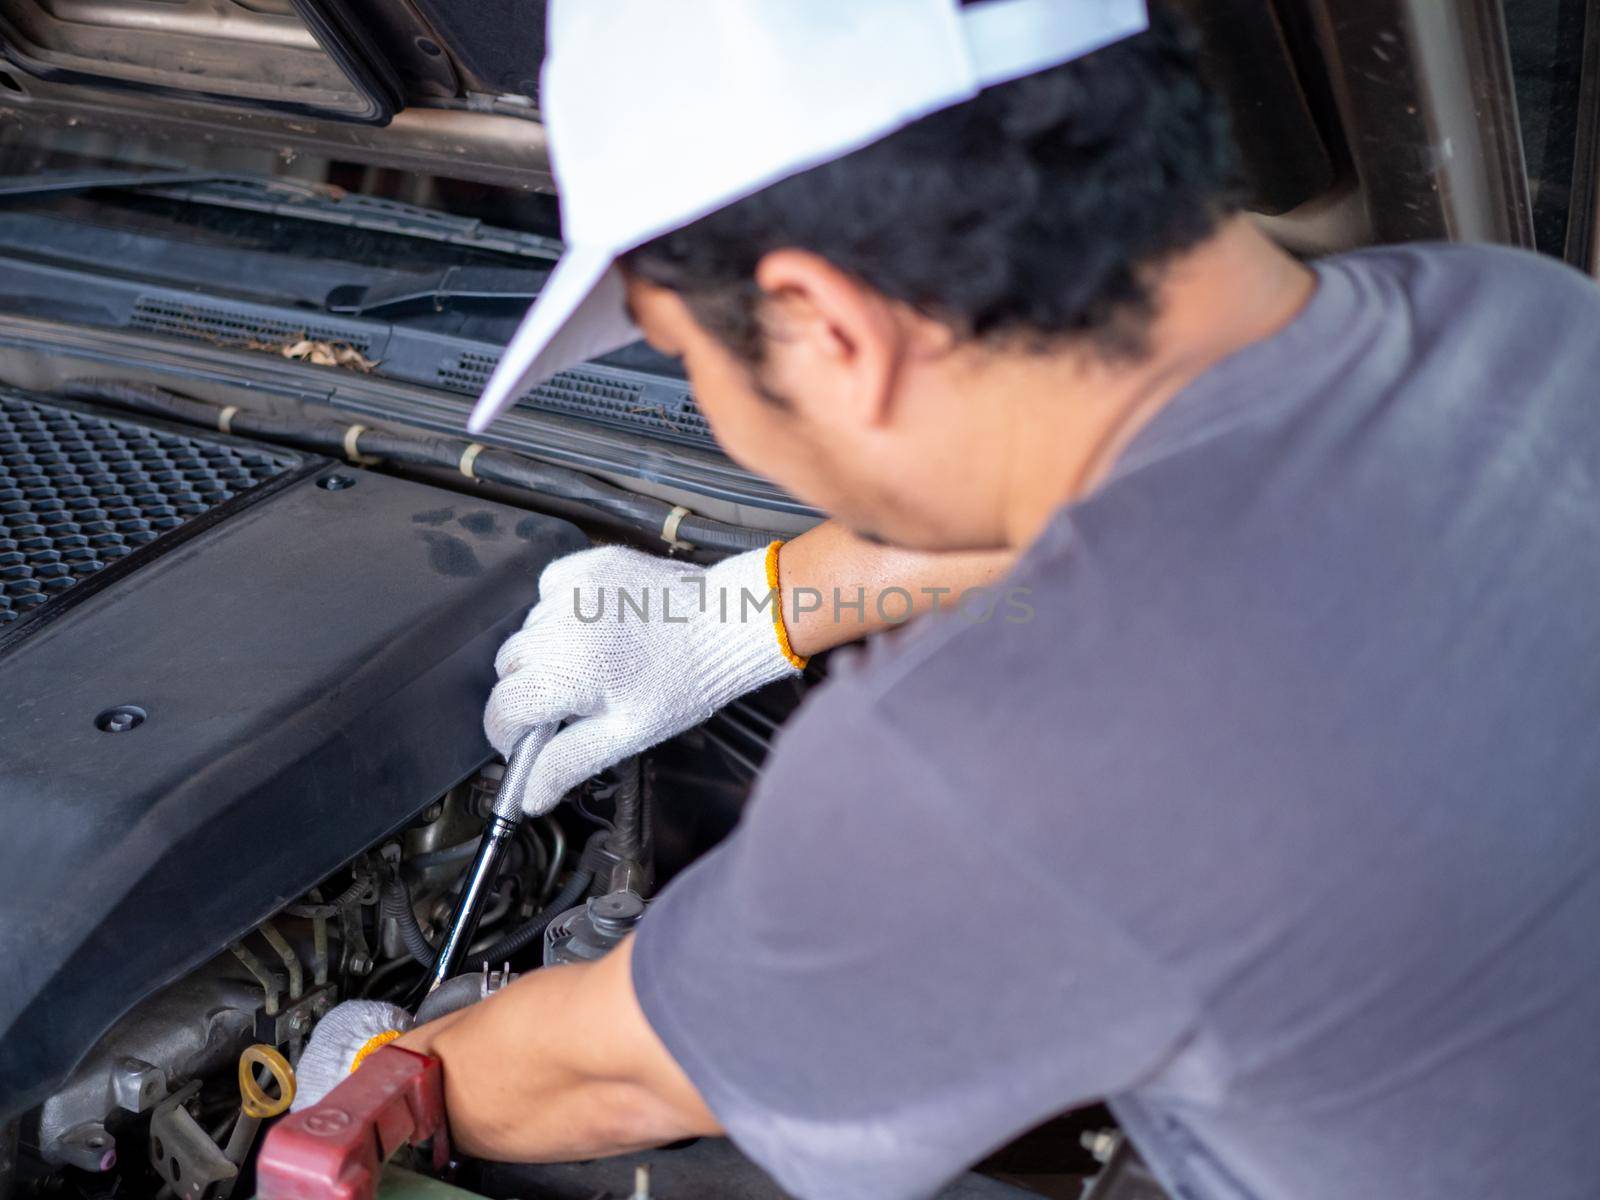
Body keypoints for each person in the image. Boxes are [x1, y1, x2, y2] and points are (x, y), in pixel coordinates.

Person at [296, 3, 1600, 1198]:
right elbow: (1168, 491)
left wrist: (377, 1076)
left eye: (687, 360)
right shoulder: (1524, 323)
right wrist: (751, 604)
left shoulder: (991, 770)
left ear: (819, 324)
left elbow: (617, 1069)